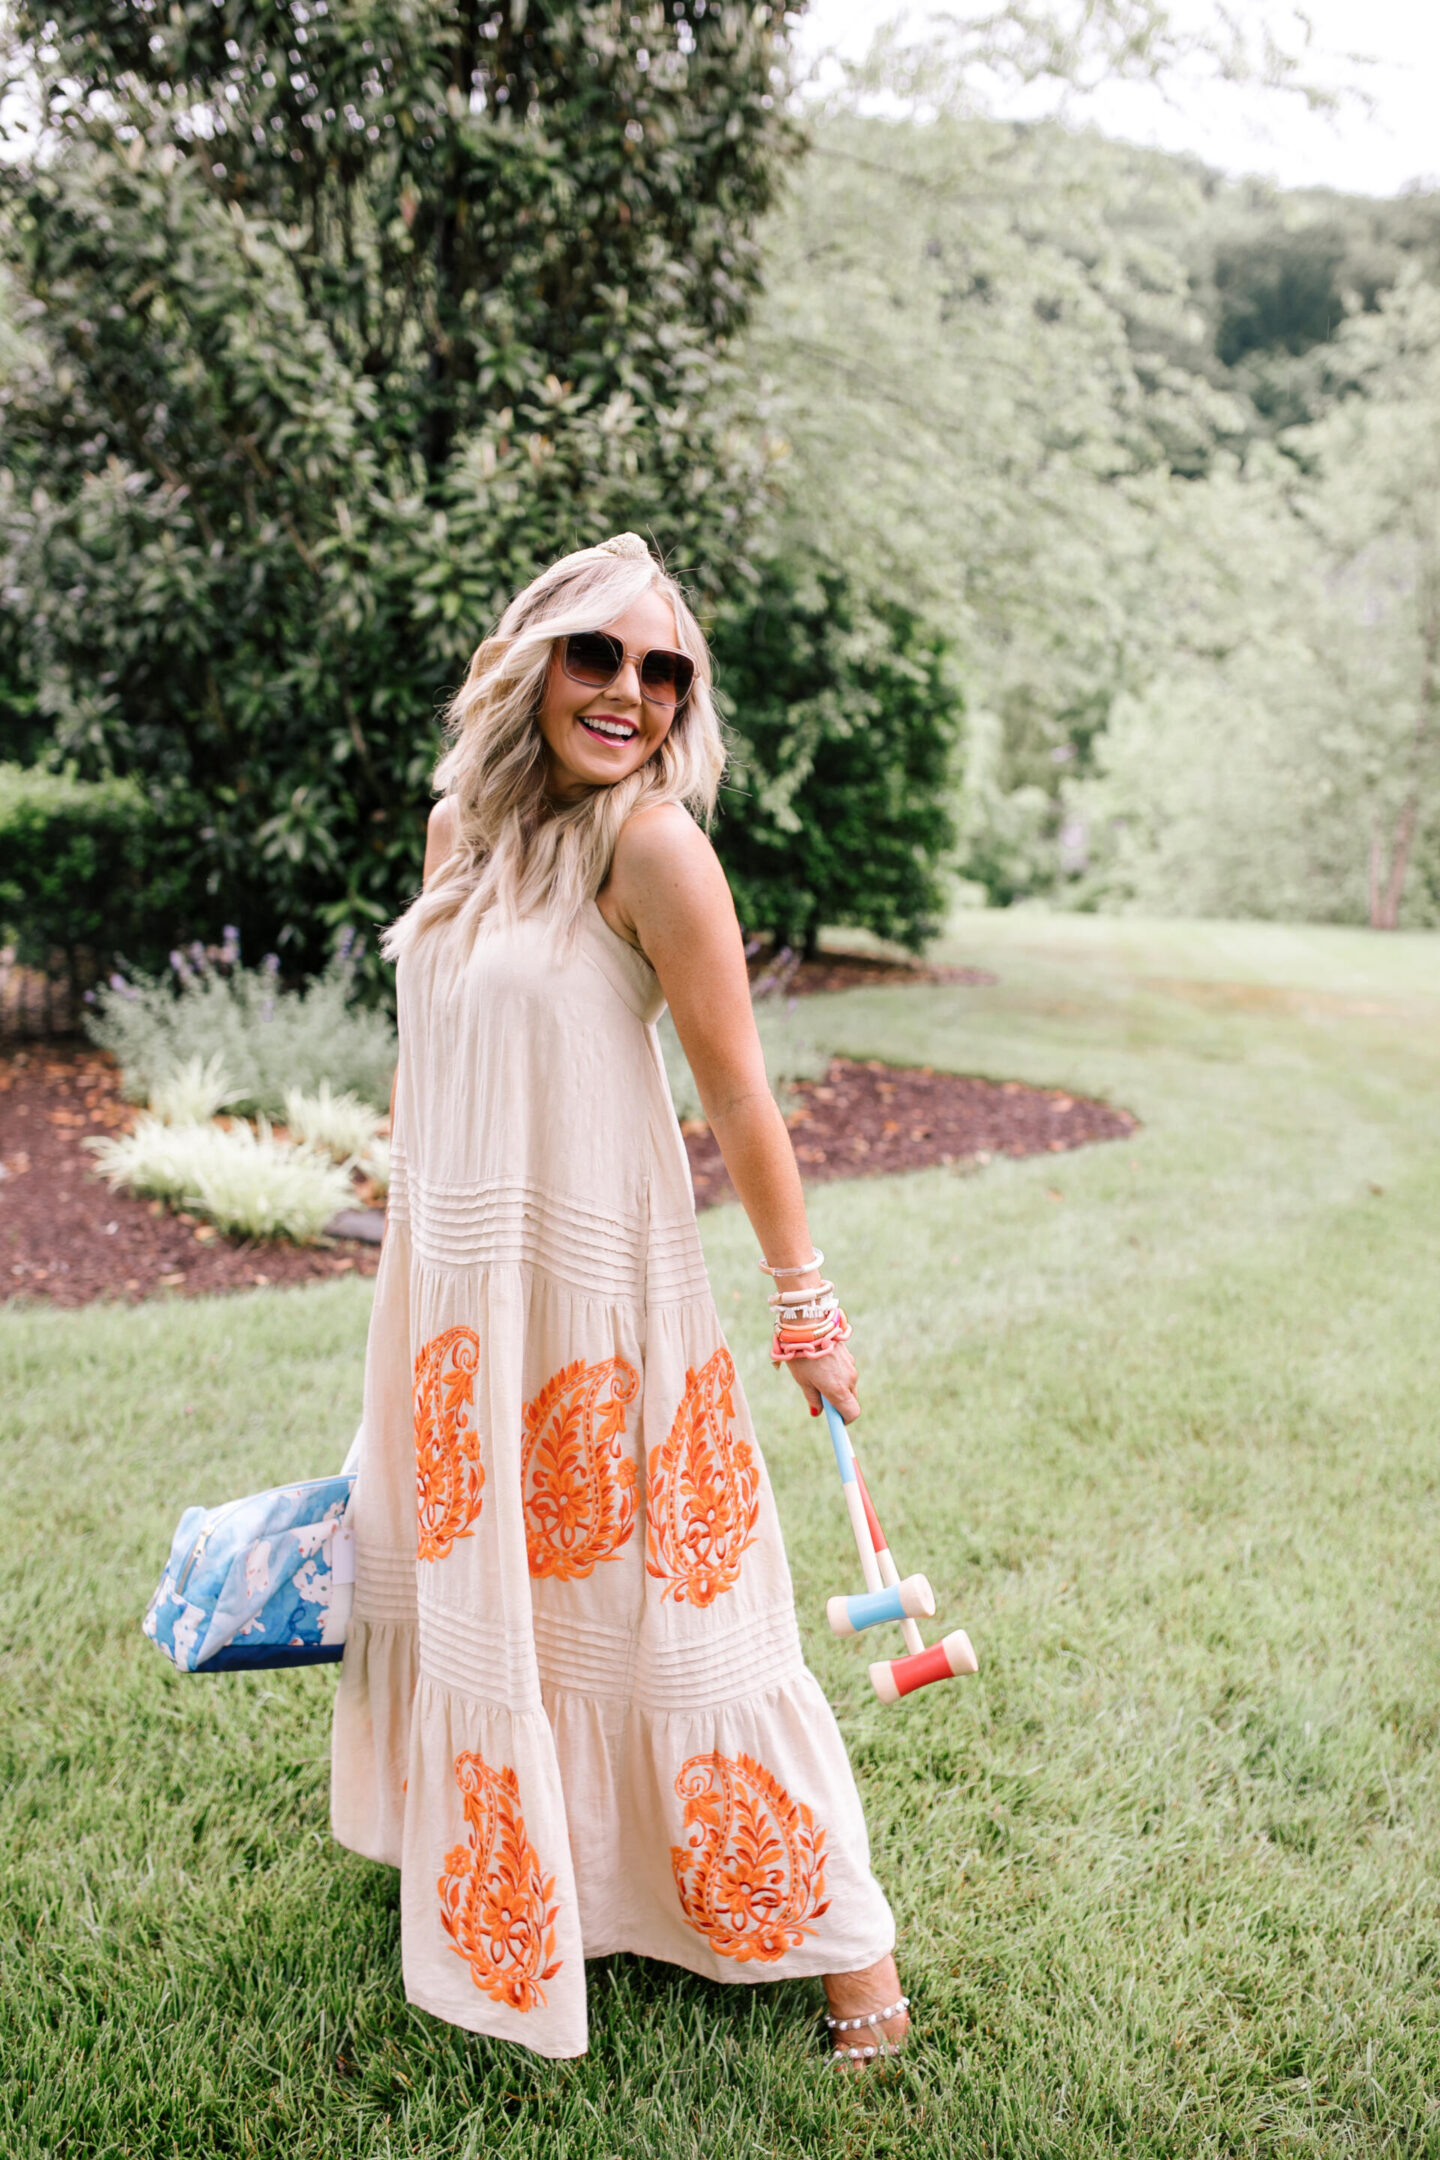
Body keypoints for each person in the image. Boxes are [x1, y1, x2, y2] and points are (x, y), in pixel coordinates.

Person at [331, 532, 909, 2067]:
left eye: (664, 671)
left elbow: (740, 1094)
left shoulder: (653, 850)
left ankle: (855, 1962)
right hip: (462, 1294)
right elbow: (435, 1042)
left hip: (602, 1302)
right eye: (597, 653)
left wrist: (807, 1307)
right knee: (506, 1607)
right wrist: (408, 1220)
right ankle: (558, 1890)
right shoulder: (460, 830)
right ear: (529, 665)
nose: (629, 691)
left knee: (684, 1619)